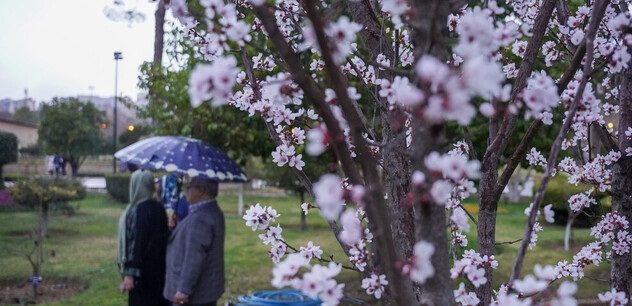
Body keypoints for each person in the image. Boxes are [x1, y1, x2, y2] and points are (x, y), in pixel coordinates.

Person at [164, 176, 225, 306]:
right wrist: (176, 227)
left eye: (190, 187)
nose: (186, 190)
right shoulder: (212, 211)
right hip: (205, 292)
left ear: (201, 190)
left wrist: (183, 291)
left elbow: (194, 257)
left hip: (195, 297)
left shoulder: (201, 218)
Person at [117, 170, 169, 306]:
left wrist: (129, 274)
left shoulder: (137, 211)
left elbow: (136, 244)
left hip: (142, 275)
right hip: (160, 270)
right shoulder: (160, 208)